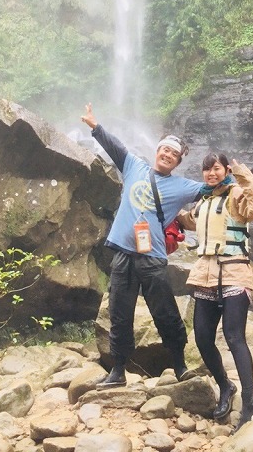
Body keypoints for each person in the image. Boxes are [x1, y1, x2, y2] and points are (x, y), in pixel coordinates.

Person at [81, 103, 202, 388]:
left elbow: (212, 188)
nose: (168, 155)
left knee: (166, 312)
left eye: (173, 154)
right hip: (124, 254)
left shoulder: (183, 187)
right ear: (157, 150)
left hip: (152, 258)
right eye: (165, 150)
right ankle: (118, 371)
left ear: (177, 162)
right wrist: (95, 126)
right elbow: (115, 147)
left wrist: (239, 183)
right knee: (119, 313)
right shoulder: (134, 165)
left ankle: (180, 365)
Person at [178, 152, 253, 431]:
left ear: (226, 170)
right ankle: (225, 386)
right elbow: (187, 220)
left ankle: (252, 402)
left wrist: (243, 175)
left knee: (234, 336)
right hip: (205, 275)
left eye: (216, 168)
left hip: (234, 272)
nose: (211, 173)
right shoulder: (204, 201)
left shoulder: (236, 194)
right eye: (206, 169)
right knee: (203, 338)